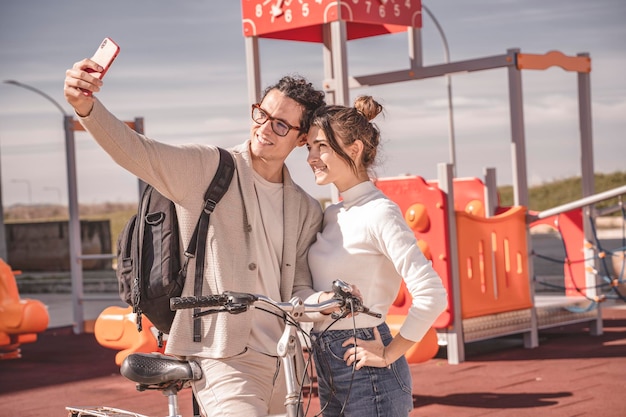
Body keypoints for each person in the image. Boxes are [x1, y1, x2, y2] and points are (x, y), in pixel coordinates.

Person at [63, 58, 329, 416]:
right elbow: (139, 152)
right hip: (222, 355)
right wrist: (87, 107)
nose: (264, 128)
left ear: (300, 139)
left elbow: (297, 284)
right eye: (261, 114)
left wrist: (321, 301)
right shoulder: (210, 167)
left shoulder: (306, 207)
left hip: (286, 364)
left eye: (281, 125)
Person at [304, 96, 448, 416]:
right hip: (329, 365)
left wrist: (389, 354)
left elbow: (433, 294)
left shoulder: (380, 213)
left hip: (368, 370)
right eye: (309, 148)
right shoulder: (333, 213)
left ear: (354, 149)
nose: (312, 157)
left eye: (322, 146)